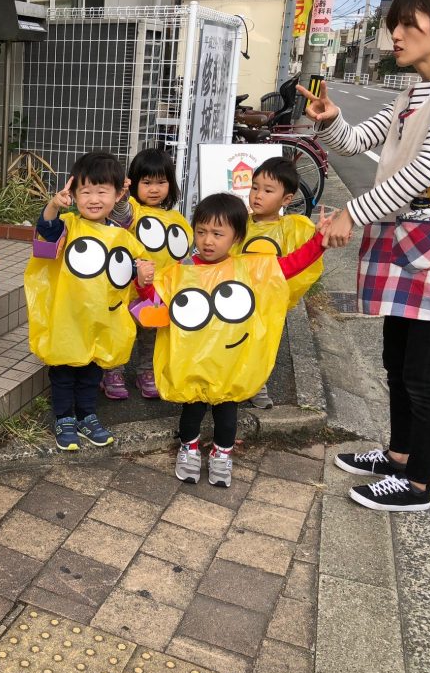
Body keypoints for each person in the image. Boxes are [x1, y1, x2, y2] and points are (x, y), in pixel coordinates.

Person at [299, 0, 430, 512]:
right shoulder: (412, 91)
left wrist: (349, 212)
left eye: (408, 24)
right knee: (397, 361)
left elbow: (426, 167)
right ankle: (398, 457)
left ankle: (418, 484)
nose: (395, 34)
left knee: (423, 372)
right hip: (413, 241)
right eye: (393, 23)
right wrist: (330, 121)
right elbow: (354, 142)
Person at [135, 194, 329, 487]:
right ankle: (188, 449)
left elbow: (290, 266)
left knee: (228, 416)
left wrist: (320, 241)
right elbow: (155, 299)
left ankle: (221, 455)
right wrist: (143, 282)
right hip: (193, 366)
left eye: (217, 233)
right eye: (201, 232)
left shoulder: (250, 270)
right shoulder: (181, 271)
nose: (207, 241)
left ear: (236, 237)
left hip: (229, 366)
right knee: (191, 411)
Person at [24, 151, 148, 451]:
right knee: (64, 371)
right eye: (86, 191)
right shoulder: (69, 225)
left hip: (100, 318)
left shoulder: (120, 235)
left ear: (118, 194)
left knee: (92, 371)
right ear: (75, 194)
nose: (94, 198)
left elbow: (125, 270)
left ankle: (87, 415)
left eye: (102, 191)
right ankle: (64, 418)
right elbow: (47, 230)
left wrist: (140, 270)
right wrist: (53, 205)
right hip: (68, 316)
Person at [235, 156, 323, 409]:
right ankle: (232, 380)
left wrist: (320, 236)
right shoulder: (239, 223)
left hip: (268, 300)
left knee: (264, 342)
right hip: (239, 296)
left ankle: (257, 384)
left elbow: (303, 258)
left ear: (286, 199)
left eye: (268, 190)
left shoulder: (291, 228)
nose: (258, 195)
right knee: (234, 339)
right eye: (254, 187)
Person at [103, 148, 187, 401]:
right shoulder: (132, 211)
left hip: (158, 289)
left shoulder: (176, 217)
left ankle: (147, 371)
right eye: (147, 182)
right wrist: (121, 196)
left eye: (161, 182)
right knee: (120, 330)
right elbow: (120, 216)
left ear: (171, 185)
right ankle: (112, 370)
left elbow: (181, 251)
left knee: (151, 331)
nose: (154, 189)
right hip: (126, 287)